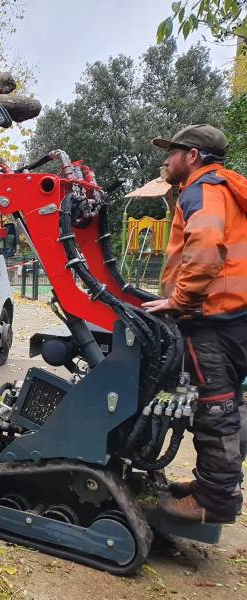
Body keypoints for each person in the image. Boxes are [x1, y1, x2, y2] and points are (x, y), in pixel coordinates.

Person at [143, 124, 247, 524]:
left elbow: (205, 248)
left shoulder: (199, 190)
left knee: (215, 409)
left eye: (172, 152)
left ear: (193, 156)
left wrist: (179, 301)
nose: (165, 160)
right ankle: (212, 485)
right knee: (232, 405)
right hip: (235, 315)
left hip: (213, 319)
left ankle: (214, 502)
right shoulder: (228, 188)